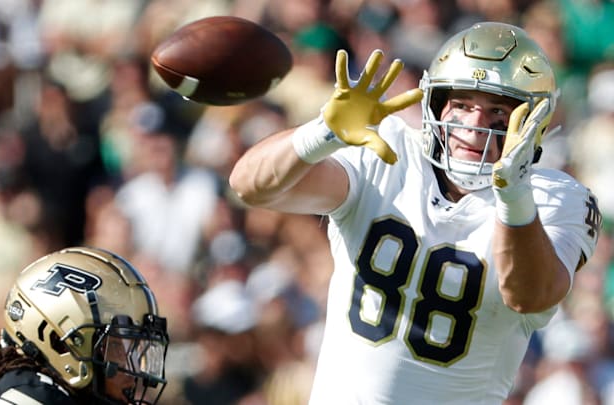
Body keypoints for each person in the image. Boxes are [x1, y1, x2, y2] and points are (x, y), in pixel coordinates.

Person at [229, 21, 602, 404]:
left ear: (534, 122)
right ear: (436, 104)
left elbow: (531, 295)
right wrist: (322, 132)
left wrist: (514, 195)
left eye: (497, 111)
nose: (474, 126)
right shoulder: (388, 151)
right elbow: (250, 185)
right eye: (462, 105)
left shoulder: (554, 197)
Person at [0, 246, 169, 405]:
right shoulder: (34, 396)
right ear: (61, 341)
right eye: (116, 347)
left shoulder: (1, 380)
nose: (129, 366)